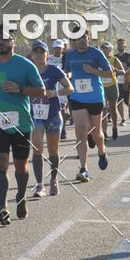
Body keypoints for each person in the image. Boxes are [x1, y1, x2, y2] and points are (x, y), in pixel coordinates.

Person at [0, 25, 45, 223]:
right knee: (0, 164)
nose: (1, 42)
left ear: (13, 42)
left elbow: (41, 91)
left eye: (5, 38)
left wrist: (20, 89)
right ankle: (2, 206)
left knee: (21, 166)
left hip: (20, 122)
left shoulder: (26, 65)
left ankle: (21, 196)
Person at [63, 26, 114, 182]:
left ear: (88, 38)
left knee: (96, 133)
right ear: (74, 40)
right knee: (80, 130)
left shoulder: (96, 53)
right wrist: (66, 76)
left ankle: (102, 151)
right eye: (77, 38)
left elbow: (110, 73)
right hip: (77, 97)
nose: (80, 41)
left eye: (83, 37)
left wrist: (93, 71)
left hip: (95, 97)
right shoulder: (69, 54)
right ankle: (84, 168)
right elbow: (66, 71)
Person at [29, 40, 73, 197]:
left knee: (53, 151)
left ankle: (54, 179)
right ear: (32, 55)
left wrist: (55, 93)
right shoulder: (28, 71)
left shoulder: (54, 70)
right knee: (37, 148)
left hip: (53, 114)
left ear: (47, 55)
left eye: (42, 52)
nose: (39, 55)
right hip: (36, 115)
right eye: (36, 52)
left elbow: (70, 88)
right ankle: (40, 185)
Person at [99, 41, 124, 141]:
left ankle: (114, 127)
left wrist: (115, 70)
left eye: (106, 48)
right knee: (104, 109)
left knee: (113, 109)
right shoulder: (98, 60)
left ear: (110, 49)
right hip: (102, 87)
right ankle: (104, 133)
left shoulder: (114, 59)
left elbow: (123, 71)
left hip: (112, 86)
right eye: (103, 48)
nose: (104, 49)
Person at [48, 39, 69, 139]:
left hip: (62, 87)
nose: (58, 50)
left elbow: (69, 71)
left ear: (63, 49)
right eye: (56, 48)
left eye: (59, 48)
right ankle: (52, 128)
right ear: (53, 48)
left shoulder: (65, 59)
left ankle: (63, 129)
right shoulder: (49, 58)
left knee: (62, 108)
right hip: (51, 87)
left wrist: (68, 75)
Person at [115, 38, 130, 124]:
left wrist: (126, 68)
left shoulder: (129, 56)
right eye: (119, 44)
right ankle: (123, 118)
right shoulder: (115, 57)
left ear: (125, 45)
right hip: (117, 82)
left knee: (128, 100)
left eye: (122, 43)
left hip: (127, 81)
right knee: (119, 100)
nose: (120, 45)